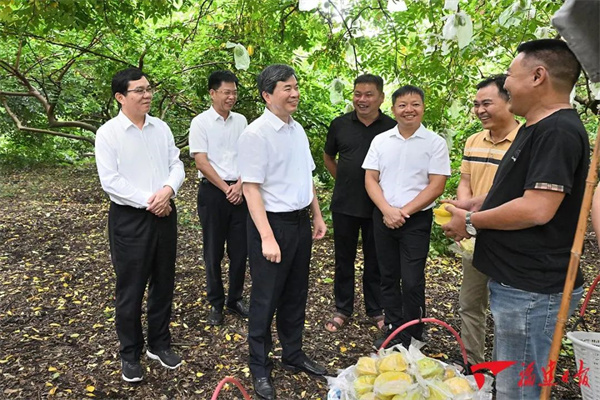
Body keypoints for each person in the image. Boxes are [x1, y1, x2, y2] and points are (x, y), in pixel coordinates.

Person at [442, 39, 588, 399]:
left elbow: (537, 208)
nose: (505, 83)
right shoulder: (534, 128)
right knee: (511, 380)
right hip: (518, 284)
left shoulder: (558, 131)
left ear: (538, 76)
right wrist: (475, 204)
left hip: (533, 289)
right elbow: (514, 192)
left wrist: (471, 222)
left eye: (510, 74)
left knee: (517, 390)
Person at [237, 64, 328, 400]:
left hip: (299, 222)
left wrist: (316, 214)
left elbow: (306, 176)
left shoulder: (297, 129)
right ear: (267, 95)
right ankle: (259, 366)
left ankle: (293, 353)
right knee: (266, 298)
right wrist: (266, 237)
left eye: (296, 86)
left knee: (295, 293)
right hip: (271, 224)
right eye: (287, 88)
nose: (295, 93)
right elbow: (250, 189)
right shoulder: (256, 134)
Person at [95, 68, 185, 382]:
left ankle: (159, 344)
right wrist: (152, 200)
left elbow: (176, 163)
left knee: (164, 282)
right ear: (120, 97)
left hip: (165, 212)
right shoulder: (108, 133)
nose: (147, 95)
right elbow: (111, 181)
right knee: (130, 288)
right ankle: (130, 353)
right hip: (130, 219)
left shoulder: (161, 128)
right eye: (139, 90)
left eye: (148, 89)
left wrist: (168, 191)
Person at [363, 85, 451, 348]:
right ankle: (393, 328)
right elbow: (370, 178)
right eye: (402, 105)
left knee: (412, 280)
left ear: (423, 107)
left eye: (415, 104)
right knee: (387, 276)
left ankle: (413, 333)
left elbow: (437, 185)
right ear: (393, 109)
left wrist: (403, 212)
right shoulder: (381, 141)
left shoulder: (434, 143)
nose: (408, 110)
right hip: (383, 217)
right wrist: (387, 210)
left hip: (416, 220)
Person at [323, 74, 396, 333]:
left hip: (379, 206)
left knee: (376, 260)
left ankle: (375, 309)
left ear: (381, 98)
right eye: (357, 94)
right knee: (343, 259)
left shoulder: (392, 127)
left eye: (368, 94)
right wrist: (345, 181)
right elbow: (329, 157)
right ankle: (343, 308)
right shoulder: (340, 124)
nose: (362, 99)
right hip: (345, 205)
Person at [456, 75, 521, 367]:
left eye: (487, 103)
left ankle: (505, 370)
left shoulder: (525, 141)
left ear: (509, 101)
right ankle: (474, 366)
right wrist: (464, 214)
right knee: (471, 304)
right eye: (476, 104)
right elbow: (465, 182)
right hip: (474, 236)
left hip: (508, 239)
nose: (480, 110)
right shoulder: (473, 141)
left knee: (508, 310)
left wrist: (473, 217)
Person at [189, 70, 249, 326]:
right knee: (213, 251)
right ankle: (215, 301)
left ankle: (235, 298)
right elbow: (201, 162)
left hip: (240, 191)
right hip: (214, 192)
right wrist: (227, 189)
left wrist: (240, 185)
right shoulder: (200, 123)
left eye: (234, 92)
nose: (231, 97)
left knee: (240, 250)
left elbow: (250, 156)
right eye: (226, 92)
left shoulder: (241, 121)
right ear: (212, 93)